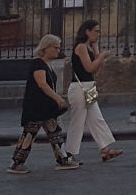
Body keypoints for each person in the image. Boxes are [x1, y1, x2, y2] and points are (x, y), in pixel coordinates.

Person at [8, 34, 81, 174]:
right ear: (46, 47)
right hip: (36, 106)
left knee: (56, 133)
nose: (58, 50)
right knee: (29, 134)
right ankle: (17, 163)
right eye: (55, 47)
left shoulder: (49, 65)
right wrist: (58, 98)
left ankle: (63, 159)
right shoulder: (38, 63)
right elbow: (42, 84)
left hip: (47, 107)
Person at [64, 19, 122, 161]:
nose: (98, 34)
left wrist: (97, 50)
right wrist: (101, 56)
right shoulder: (81, 47)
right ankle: (69, 154)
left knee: (96, 118)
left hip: (89, 86)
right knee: (78, 121)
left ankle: (105, 149)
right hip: (79, 88)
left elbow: (96, 70)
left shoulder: (89, 47)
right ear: (87, 31)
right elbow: (89, 67)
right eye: (95, 31)